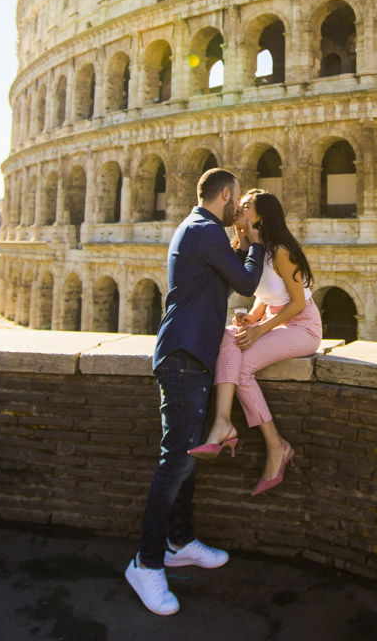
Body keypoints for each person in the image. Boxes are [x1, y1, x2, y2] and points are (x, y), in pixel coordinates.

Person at [125, 167, 267, 617]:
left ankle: (179, 541)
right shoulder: (203, 230)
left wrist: (242, 244)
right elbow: (246, 284)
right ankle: (145, 563)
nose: (239, 209)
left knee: (189, 454)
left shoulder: (202, 232)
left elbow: (227, 277)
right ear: (225, 195)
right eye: (238, 201)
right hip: (184, 356)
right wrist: (258, 239)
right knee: (176, 460)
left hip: (192, 355)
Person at [190, 189, 321, 496]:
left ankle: (276, 446)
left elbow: (298, 303)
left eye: (246, 206)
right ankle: (223, 422)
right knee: (227, 336)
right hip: (276, 320)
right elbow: (265, 294)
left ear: (260, 216)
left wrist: (261, 330)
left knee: (243, 367)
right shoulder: (254, 248)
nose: (239, 207)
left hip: (303, 327)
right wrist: (252, 318)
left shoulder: (282, 251)